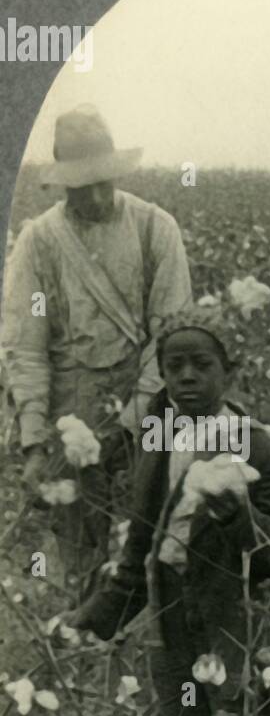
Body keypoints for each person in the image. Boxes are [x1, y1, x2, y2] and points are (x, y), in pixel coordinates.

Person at [65, 301, 270, 716]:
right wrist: (109, 606)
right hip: (172, 603)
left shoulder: (255, 446)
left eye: (201, 365)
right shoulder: (157, 440)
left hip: (232, 611)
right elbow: (144, 535)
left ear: (229, 373)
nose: (188, 377)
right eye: (175, 367)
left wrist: (243, 522)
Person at [2, 105, 192, 593]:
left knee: (157, 534)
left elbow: (171, 336)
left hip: (149, 397)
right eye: (84, 185)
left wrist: (134, 416)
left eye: (106, 180)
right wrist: (34, 440)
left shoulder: (155, 229)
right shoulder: (39, 243)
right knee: (81, 545)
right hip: (72, 407)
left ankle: (152, 639)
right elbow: (28, 345)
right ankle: (85, 641)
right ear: (64, 182)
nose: (100, 194)